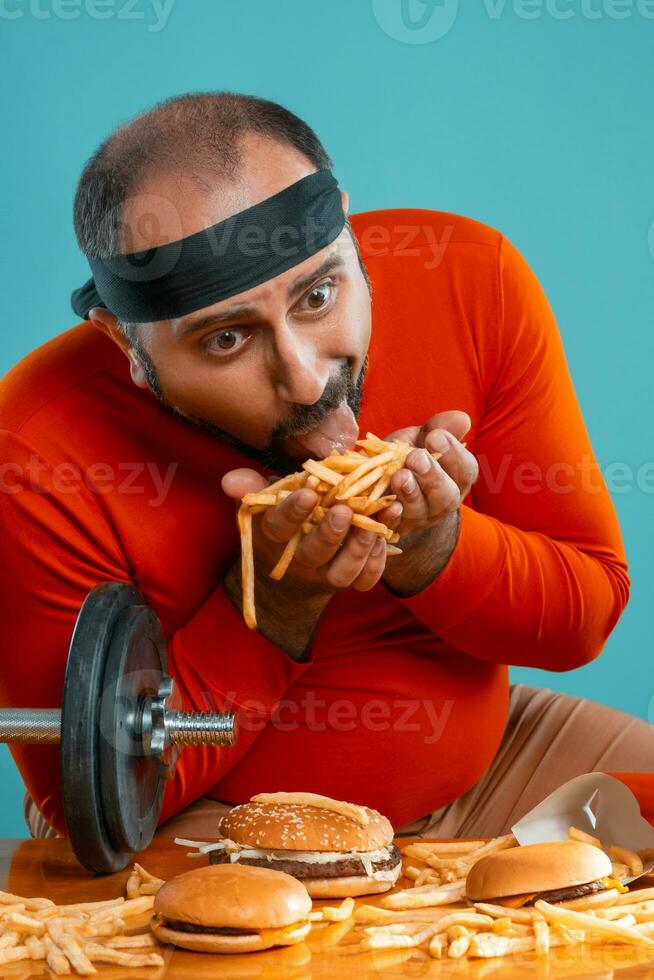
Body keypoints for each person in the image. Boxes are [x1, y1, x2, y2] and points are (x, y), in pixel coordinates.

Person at [1, 92, 652, 844]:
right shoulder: (35, 443)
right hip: (206, 821)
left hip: (497, 764)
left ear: (346, 228)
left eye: (318, 294)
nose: (306, 380)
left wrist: (436, 548)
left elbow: (585, 617)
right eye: (225, 341)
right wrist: (274, 604)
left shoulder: (470, 281)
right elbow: (90, 804)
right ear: (127, 347)